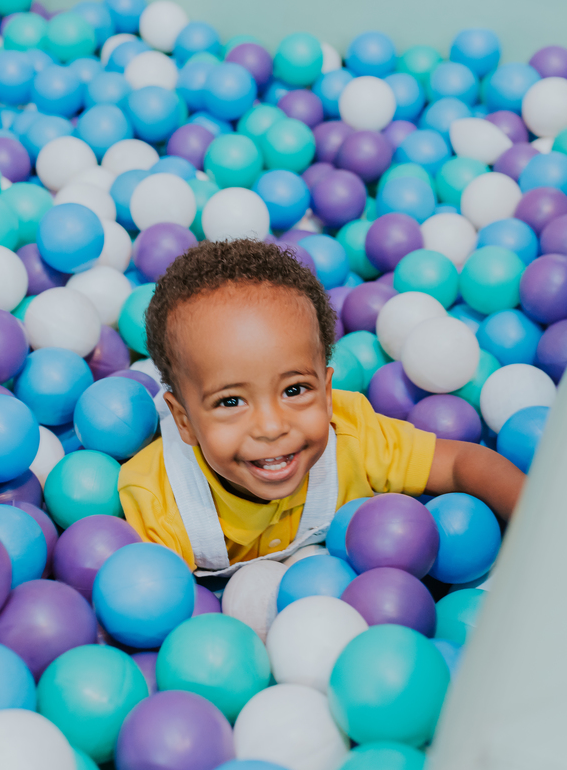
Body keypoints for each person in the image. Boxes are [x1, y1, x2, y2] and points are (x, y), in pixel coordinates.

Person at [118, 239, 525, 575]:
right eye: (230, 401)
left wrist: (542, 523)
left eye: (294, 390)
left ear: (328, 392)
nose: (272, 426)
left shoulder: (352, 436)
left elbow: (460, 465)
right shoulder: (162, 503)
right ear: (184, 421)